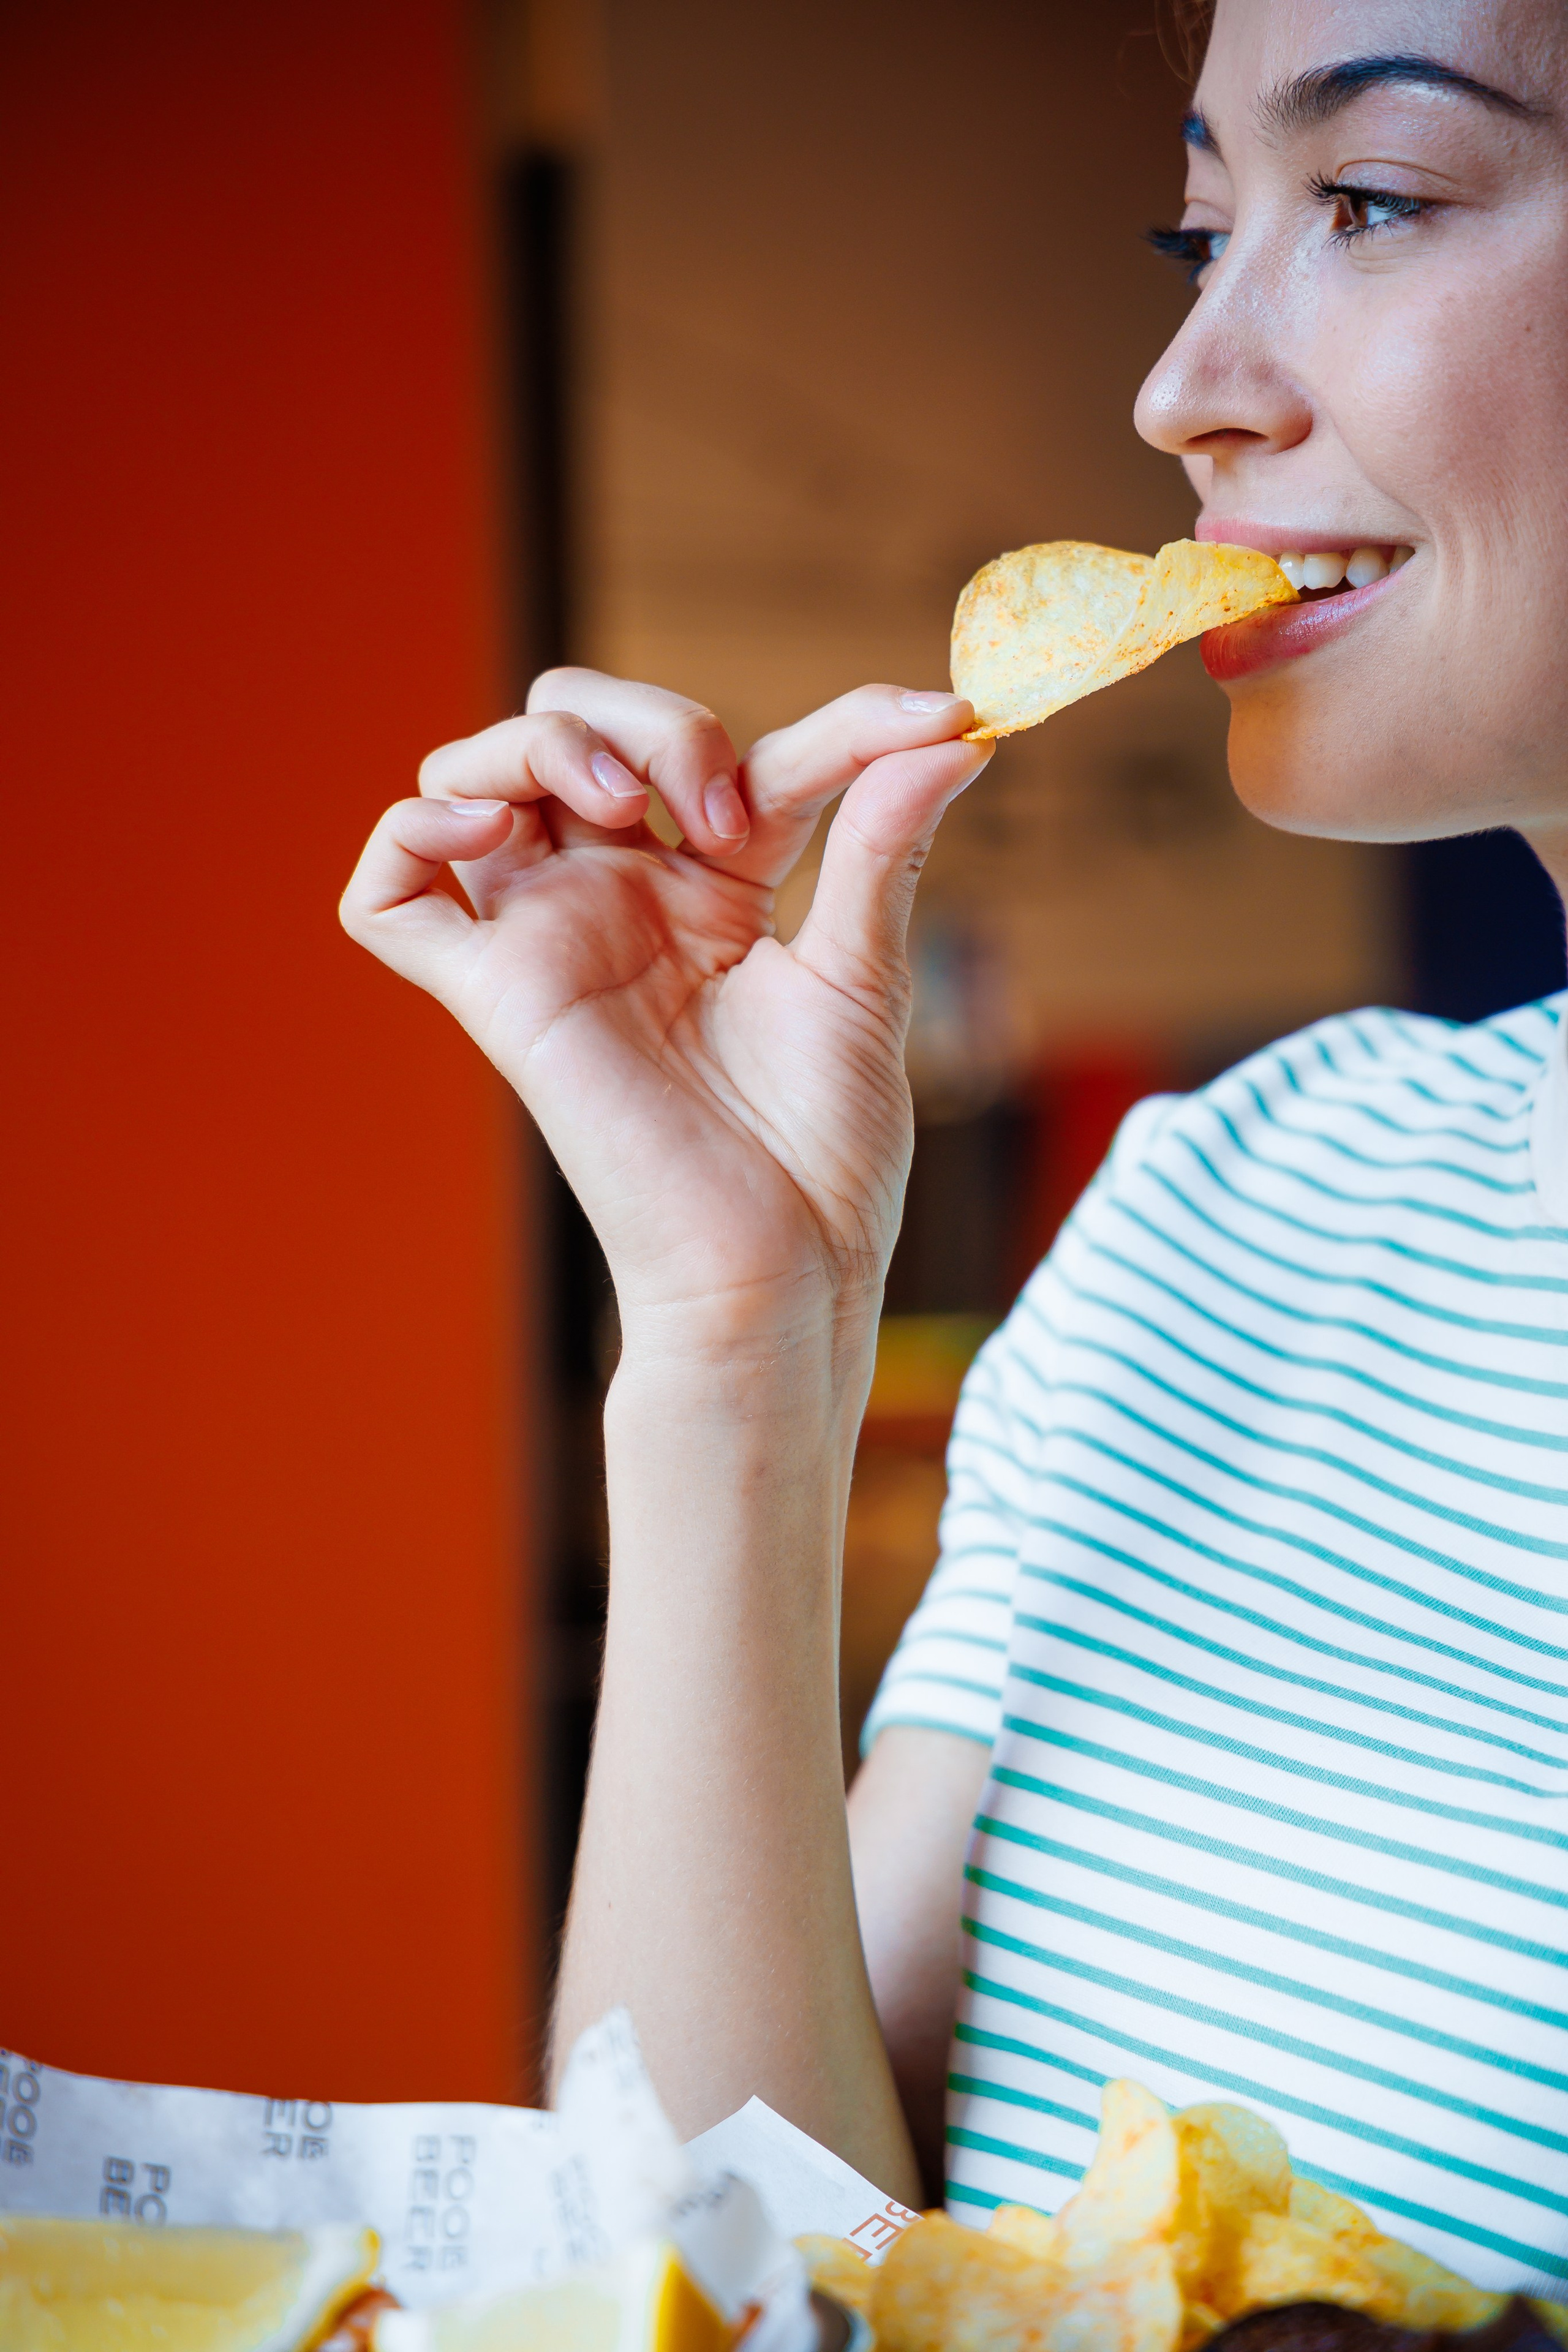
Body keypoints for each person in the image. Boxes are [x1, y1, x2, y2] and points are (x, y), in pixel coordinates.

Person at [341, 0, 1568, 2299]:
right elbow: (736, 2274)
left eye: (1375, 197)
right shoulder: (1242, 1203)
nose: (1182, 382)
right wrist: (734, 1346)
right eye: (1200, 227)